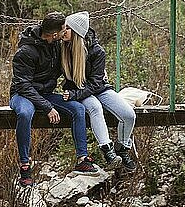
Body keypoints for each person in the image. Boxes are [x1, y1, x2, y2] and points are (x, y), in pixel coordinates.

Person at [10, 11, 99, 186]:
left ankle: (82, 159)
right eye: (64, 29)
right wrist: (47, 107)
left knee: (78, 109)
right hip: (22, 95)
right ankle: (25, 166)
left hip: (47, 94)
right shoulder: (26, 51)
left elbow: (83, 42)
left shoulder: (57, 46)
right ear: (54, 34)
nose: (66, 31)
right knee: (25, 114)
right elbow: (23, 85)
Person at [61, 11, 137, 172]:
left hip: (97, 88)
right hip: (77, 89)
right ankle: (107, 150)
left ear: (76, 32)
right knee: (95, 107)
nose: (63, 31)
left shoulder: (97, 51)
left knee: (129, 115)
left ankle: (122, 148)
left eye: (67, 28)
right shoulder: (62, 47)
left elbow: (96, 83)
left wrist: (75, 96)